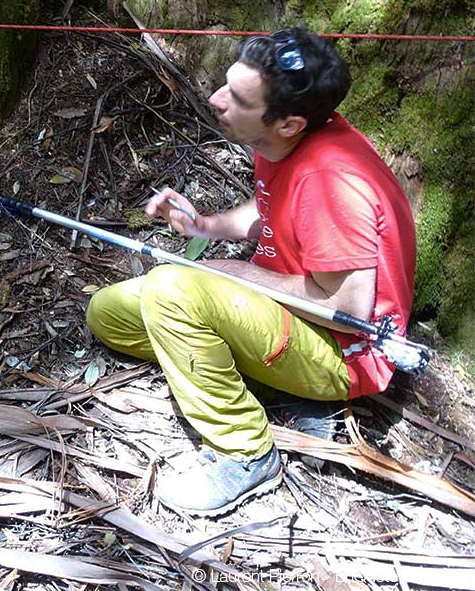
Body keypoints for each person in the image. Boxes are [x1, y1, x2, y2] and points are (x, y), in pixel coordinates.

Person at [86, 26, 416, 516]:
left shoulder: (330, 182)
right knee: (107, 313)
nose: (217, 99)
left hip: (340, 352)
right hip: (282, 312)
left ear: (288, 123)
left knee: (172, 289)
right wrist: (204, 225)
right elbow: (270, 209)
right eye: (226, 84)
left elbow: (348, 311)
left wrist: (237, 274)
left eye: (238, 98)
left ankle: (245, 452)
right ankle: (268, 381)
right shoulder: (282, 142)